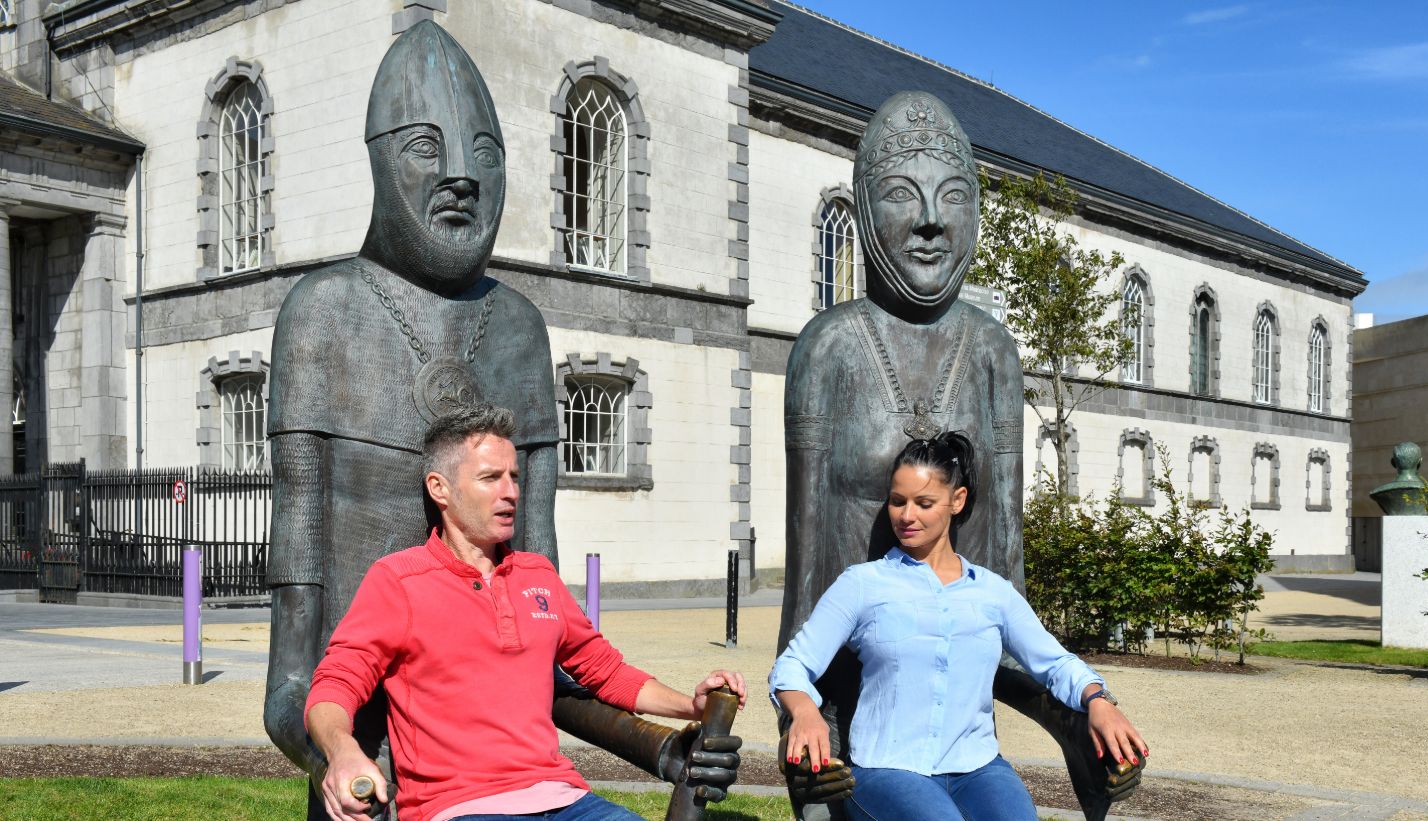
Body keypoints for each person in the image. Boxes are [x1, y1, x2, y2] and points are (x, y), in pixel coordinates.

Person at [264, 22, 729, 818]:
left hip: (537, 787)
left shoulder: (517, 329)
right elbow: (297, 683)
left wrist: (668, 735)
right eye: (424, 146)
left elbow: (559, 671)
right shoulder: (323, 315)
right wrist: (342, 756)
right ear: (378, 156)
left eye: (484, 153)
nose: (459, 177)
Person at [779, 90, 1137, 820]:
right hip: (862, 724)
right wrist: (804, 724)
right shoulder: (830, 348)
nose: (933, 222)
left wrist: (1084, 707)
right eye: (904, 197)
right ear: (864, 210)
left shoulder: (992, 351)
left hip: (962, 746)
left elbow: (1012, 599)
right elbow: (804, 589)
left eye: (953, 197)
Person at [307, 404, 748, 821]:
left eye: (514, 477)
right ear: (439, 488)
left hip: (563, 796)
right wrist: (343, 751)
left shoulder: (537, 575)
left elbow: (605, 671)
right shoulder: (398, 580)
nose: (510, 492)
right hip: (461, 806)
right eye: (490, 477)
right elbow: (334, 685)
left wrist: (690, 705)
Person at [771, 432, 1148, 821]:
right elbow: (792, 665)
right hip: (887, 768)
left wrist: (1098, 700)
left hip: (979, 767)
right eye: (898, 502)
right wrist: (804, 712)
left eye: (924, 503)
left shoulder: (992, 592)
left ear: (957, 500)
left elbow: (1054, 663)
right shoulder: (862, 584)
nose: (906, 515)